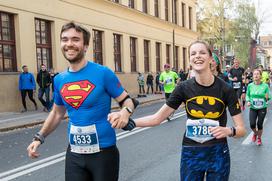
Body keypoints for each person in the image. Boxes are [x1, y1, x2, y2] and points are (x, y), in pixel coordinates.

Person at [109, 41, 246, 180]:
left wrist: (229, 131)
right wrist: (129, 121)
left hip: (218, 153)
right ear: (190, 60)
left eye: (202, 53)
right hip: (191, 152)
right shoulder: (183, 88)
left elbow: (241, 130)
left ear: (211, 58)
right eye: (193, 53)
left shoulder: (226, 89)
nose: (197, 56)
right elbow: (157, 118)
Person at [27, 22, 138, 181]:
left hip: (104, 153)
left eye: (75, 39)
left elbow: (127, 101)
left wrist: (125, 113)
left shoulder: (103, 73)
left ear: (85, 46)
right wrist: (39, 137)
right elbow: (57, 113)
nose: (69, 44)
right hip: (75, 154)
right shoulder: (59, 80)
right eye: (65, 39)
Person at [246, 68, 270, 146]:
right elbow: (248, 95)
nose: (256, 75)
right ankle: (256, 134)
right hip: (253, 108)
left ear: (260, 76)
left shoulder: (265, 86)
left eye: (257, 74)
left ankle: (259, 138)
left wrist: (267, 97)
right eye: (254, 74)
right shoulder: (250, 85)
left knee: (259, 124)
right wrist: (248, 101)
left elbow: (269, 96)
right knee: (252, 124)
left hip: (262, 108)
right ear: (252, 76)